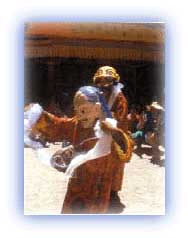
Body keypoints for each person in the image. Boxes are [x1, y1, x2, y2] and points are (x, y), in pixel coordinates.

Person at [46, 86, 133, 214]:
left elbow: (126, 153)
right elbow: (59, 125)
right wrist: (38, 116)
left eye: (83, 111)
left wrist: (115, 134)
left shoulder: (107, 129)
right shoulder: (77, 123)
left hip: (98, 186)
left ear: (97, 109)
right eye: (76, 111)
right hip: (77, 183)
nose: (79, 116)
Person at [92, 66, 129, 202]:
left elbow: (122, 119)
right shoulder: (94, 96)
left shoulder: (120, 98)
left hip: (114, 136)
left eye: (108, 80)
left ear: (114, 81)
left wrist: (111, 126)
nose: (104, 83)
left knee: (114, 165)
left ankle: (112, 192)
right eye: (101, 80)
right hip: (97, 134)